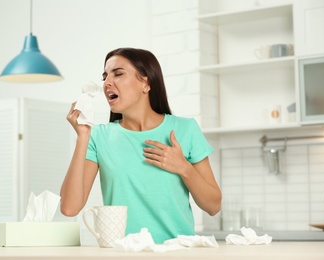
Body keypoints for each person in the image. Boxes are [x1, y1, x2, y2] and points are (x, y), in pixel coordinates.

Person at [60, 47, 221, 244]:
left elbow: (213, 206)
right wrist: (82, 137)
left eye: (118, 74)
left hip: (177, 253)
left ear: (145, 83)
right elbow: (70, 208)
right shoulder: (98, 136)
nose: (107, 83)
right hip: (124, 254)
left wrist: (183, 167)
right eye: (105, 77)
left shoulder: (185, 129)